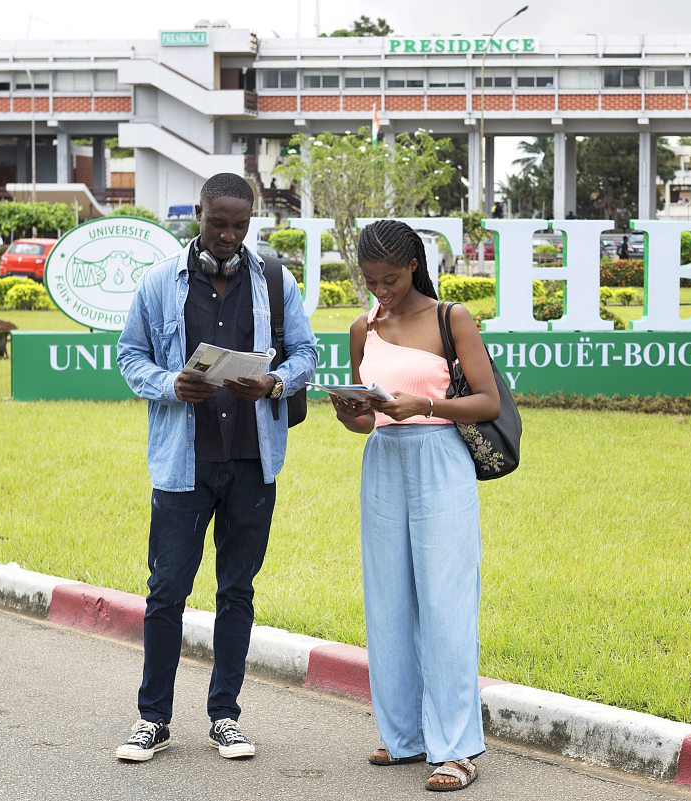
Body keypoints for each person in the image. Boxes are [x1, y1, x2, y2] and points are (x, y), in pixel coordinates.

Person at [115, 172, 317, 763]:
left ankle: (225, 715)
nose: (228, 235)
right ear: (197, 214)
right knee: (166, 590)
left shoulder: (276, 282)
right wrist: (170, 384)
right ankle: (151, 719)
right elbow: (130, 356)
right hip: (183, 463)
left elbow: (306, 352)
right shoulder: (158, 283)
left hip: (253, 461)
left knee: (237, 590)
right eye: (217, 221)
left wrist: (276, 381)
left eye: (239, 224)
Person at [331, 219, 501, 793]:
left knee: (446, 602)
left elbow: (486, 401)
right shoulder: (362, 328)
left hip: (440, 459)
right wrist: (351, 413)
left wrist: (424, 404)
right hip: (383, 461)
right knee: (387, 600)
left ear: (414, 267)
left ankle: (457, 748)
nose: (381, 291)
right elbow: (364, 419)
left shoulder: (452, 318)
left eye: (392, 280)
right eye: (371, 280)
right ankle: (403, 736)